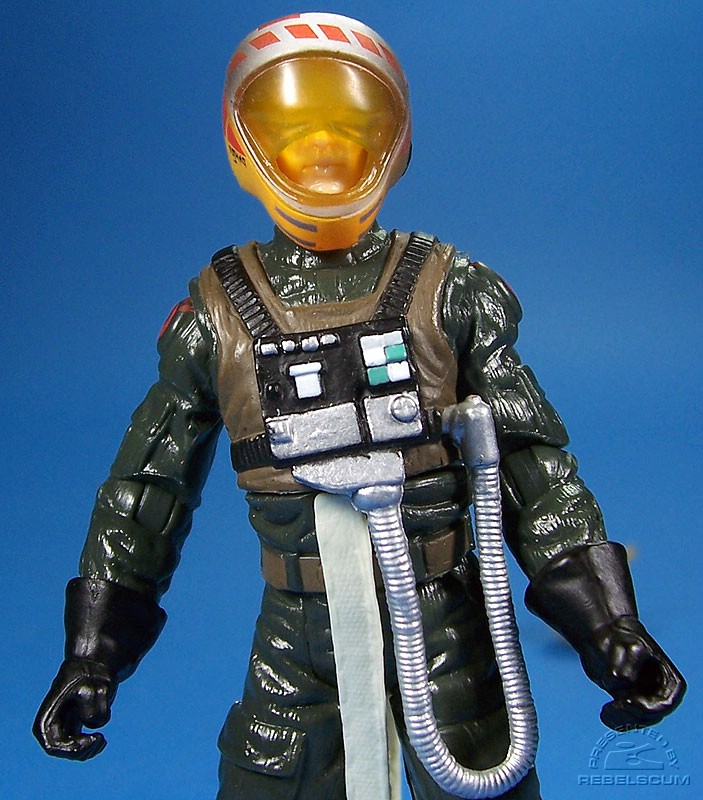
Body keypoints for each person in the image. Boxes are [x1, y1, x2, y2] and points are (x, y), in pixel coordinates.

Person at [34, 12, 685, 800]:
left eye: (350, 128)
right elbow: (147, 491)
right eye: (293, 130)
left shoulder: (448, 294)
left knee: (479, 777)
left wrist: (607, 624)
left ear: (392, 140)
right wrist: (94, 651)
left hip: (444, 621)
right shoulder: (217, 318)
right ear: (246, 144)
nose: (322, 152)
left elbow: (531, 470)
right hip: (299, 635)